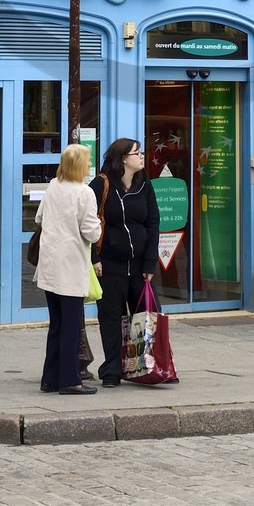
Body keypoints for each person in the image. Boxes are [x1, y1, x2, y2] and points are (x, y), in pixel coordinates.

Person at [90, 138, 160, 388]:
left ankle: (148, 367)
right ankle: (111, 370)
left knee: (146, 317)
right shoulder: (101, 183)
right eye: (136, 153)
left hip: (140, 266)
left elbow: (153, 222)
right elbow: (86, 222)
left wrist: (150, 263)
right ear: (123, 159)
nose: (141, 157)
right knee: (111, 319)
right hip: (109, 265)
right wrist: (94, 258)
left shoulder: (144, 184)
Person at [34, 143, 103, 394]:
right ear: (78, 165)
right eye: (86, 160)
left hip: (50, 265)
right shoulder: (84, 193)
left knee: (57, 325)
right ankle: (70, 380)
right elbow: (92, 233)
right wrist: (99, 226)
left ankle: (50, 378)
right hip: (70, 265)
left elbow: (39, 218)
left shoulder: (53, 186)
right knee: (71, 326)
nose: (88, 165)